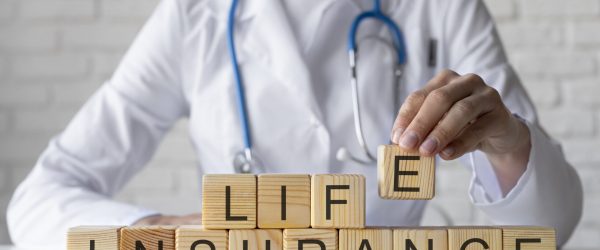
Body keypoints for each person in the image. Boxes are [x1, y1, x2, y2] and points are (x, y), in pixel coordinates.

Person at [7, 0, 582, 247]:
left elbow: (550, 229)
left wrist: (509, 145)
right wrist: (161, 232)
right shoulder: (194, 16)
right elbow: (37, 202)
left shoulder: (441, 8)